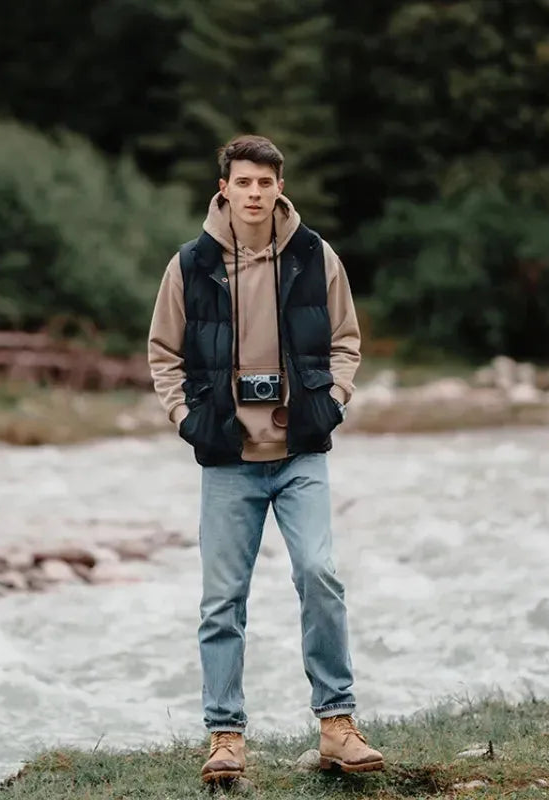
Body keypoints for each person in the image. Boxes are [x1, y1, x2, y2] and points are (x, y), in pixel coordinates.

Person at [148, 134, 383, 783]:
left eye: (265, 182)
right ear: (224, 187)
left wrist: (332, 400)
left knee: (320, 573)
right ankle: (225, 738)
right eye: (243, 182)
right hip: (227, 458)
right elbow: (162, 353)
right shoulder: (189, 265)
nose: (254, 193)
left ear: (279, 186)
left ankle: (337, 725)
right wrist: (187, 420)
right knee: (222, 601)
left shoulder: (315, 256)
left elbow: (346, 339)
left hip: (300, 451)